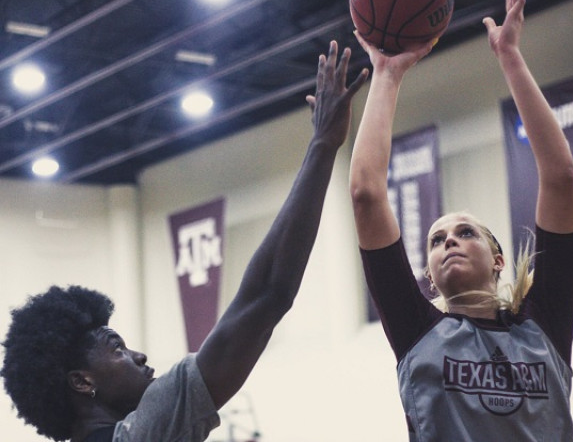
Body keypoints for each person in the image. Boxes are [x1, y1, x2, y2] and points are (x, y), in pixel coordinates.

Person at [1, 41, 368, 442]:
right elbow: (268, 294)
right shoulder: (144, 433)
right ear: (82, 381)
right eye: (117, 348)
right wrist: (322, 146)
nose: (139, 356)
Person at [349, 0, 573, 439]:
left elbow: (560, 176)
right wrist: (386, 73)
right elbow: (365, 194)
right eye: (437, 240)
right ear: (430, 277)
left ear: (498, 259)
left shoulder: (544, 324)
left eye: (465, 233)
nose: (449, 242)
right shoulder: (417, 329)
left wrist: (511, 58)